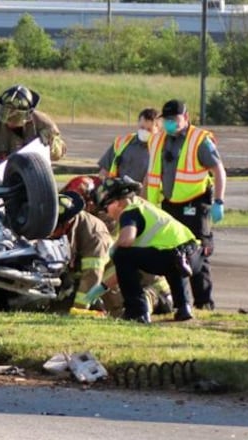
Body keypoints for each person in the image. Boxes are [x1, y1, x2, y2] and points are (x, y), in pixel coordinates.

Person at [143, 99, 226, 311]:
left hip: (196, 205)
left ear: (186, 118)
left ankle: (203, 302)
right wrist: (143, 202)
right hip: (170, 206)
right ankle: (183, 302)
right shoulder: (158, 139)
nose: (169, 123)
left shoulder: (199, 140)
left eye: (174, 119)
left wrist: (219, 200)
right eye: (166, 120)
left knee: (198, 252)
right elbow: (150, 174)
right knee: (173, 254)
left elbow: (218, 170)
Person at [58, 175, 173, 318]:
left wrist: (80, 308)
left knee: (104, 277)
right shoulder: (100, 219)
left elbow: (96, 268)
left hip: (154, 288)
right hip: (133, 275)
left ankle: (137, 309)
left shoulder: (112, 222)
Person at [97, 176, 200, 323]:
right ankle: (184, 308)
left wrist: (113, 250)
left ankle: (137, 312)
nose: (106, 213)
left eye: (106, 207)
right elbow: (122, 272)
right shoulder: (144, 206)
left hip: (173, 255)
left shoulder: (129, 211)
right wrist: (102, 288)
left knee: (122, 255)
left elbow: (127, 240)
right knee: (175, 266)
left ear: (117, 202)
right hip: (192, 254)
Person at [49, 190, 112, 313]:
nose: (50, 233)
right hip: (76, 278)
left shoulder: (94, 236)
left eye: (54, 228)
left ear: (66, 223)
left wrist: (79, 308)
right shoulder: (63, 226)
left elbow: (92, 274)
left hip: (104, 282)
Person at [0, 85, 66, 167]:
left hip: (34, 180)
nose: (8, 120)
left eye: (15, 116)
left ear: (27, 115)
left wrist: (51, 144)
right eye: (4, 113)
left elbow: (59, 154)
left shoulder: (43, 124)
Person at [98, 108, 159, 183]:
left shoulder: (160, 149)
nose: (145, 132)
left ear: (158, 129)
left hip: (144, 193)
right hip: (119, 191)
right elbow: (104, 171)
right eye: (142, 128)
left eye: (149, 130)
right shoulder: (122, 143)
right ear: (138, 123)